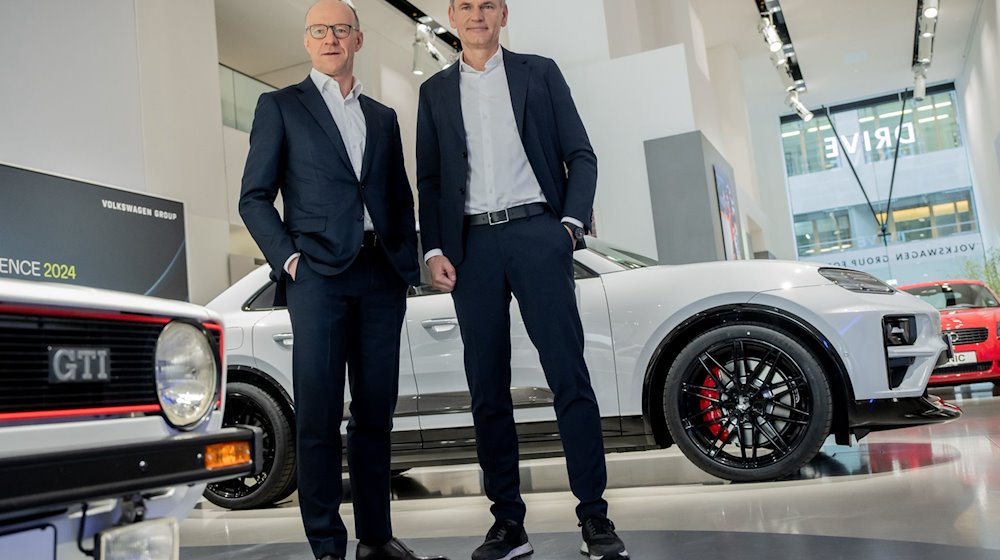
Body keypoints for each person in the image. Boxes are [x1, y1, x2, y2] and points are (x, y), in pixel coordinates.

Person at [415, 1, 629, 559]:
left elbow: (581, 155)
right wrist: (434, 247)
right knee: (487, 388)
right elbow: (431, 180)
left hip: (538, 233)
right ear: (452, 17)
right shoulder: (434, 93)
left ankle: (595, 518)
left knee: (569, 377)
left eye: (487, 4)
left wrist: (569, 227)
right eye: (466, 5)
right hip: (472, 248)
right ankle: (507, 524)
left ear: (503, 15)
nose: (477, 14)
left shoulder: (541, 72)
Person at [239, 2, 447, 559]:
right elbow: (254, 198)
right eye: (318, 30)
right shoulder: (279, 106)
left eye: (340, 30)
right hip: (318, 279)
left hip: (381, 276)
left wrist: (411, 258)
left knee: (376, 412)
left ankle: (375, 539)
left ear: (358, 39)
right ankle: (327, 545)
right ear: (307, 41)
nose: (330, 38)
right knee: (319, 414)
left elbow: (399, 199)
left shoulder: (382, 116)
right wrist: (289, 260)